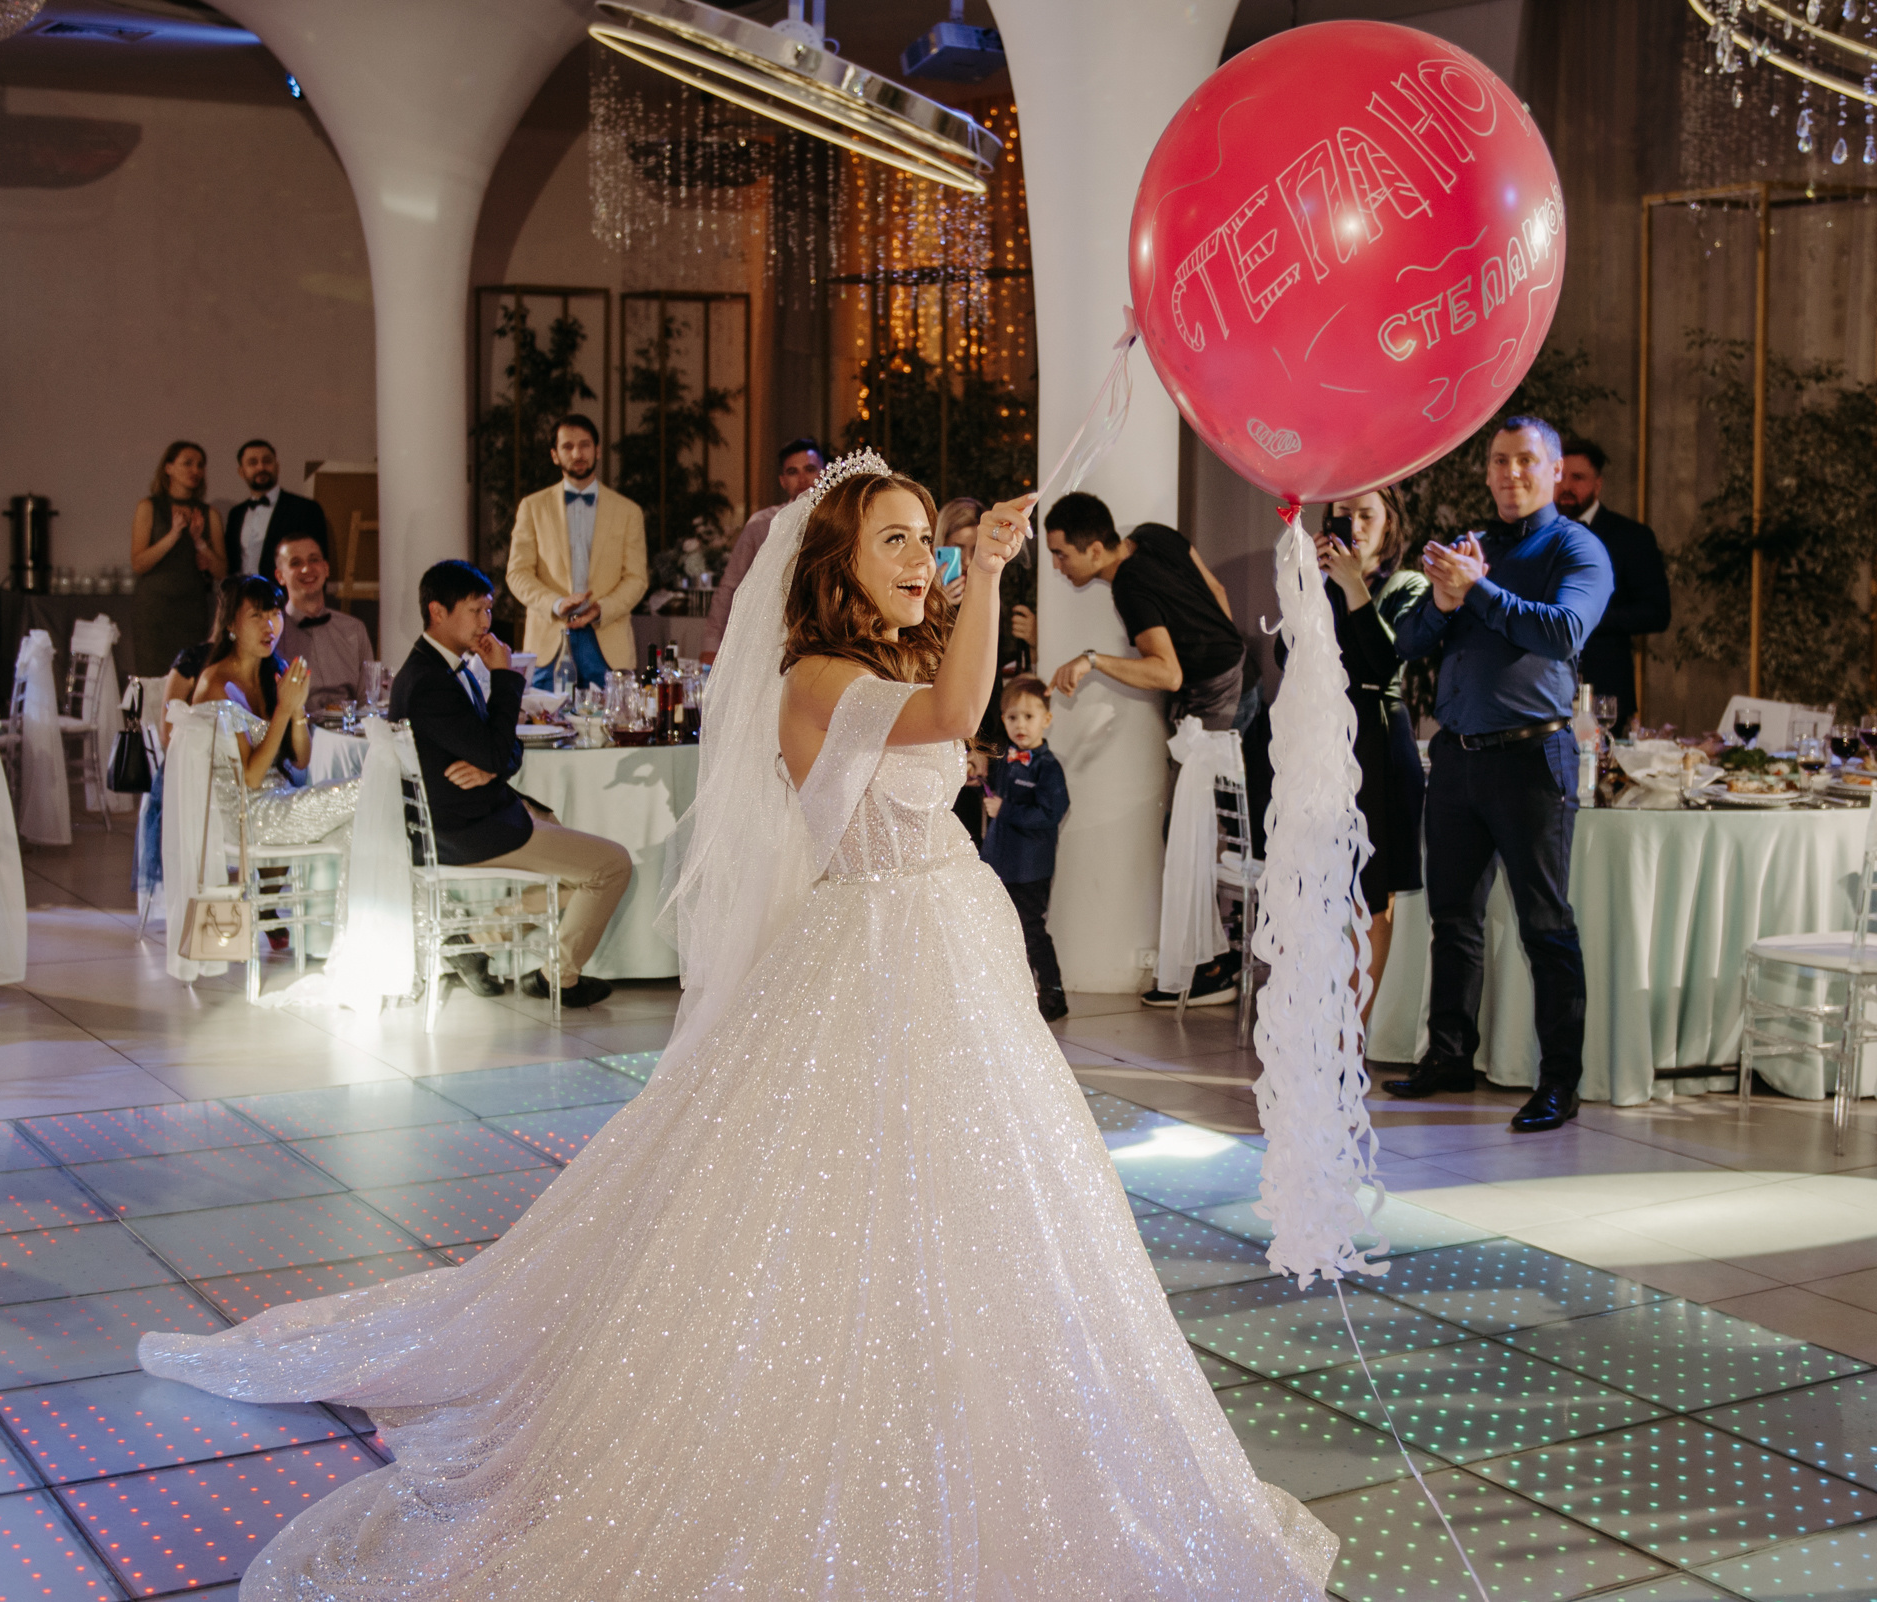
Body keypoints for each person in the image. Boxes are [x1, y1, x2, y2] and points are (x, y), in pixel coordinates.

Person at [141, 455, 1339, 1600]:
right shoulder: (817, 677)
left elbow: (950, 701)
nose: (924, 560)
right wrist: (990, 564)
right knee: (840, 1209)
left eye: (930, 539)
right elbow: (962, 704)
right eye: (899, 541)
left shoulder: (886, 652)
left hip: (950, 954)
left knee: (988, 1200)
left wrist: (970, 576)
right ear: (838, 561)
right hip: (877, 952)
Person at [1386, 418, 1612, 1134]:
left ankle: (1559, 1083)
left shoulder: (1578, 548)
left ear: (1553, 472)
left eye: (1526, 462)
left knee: (1546, 926)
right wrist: (1446, 599)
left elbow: (1562, 632)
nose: (1511, 474)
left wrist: (1476, 592)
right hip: (1455, 756)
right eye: (1499, 463)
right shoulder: (1466, 550)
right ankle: (1449, 1055)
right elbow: (1410, 641)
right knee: (1453, 921)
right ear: (1487, 474)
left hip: (1532, 759)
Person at [391, 559, 632, 1007]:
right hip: (463, 829)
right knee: (613, 865)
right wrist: (505, 678)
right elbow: (504, 752)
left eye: (488, 610)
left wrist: (492, 763)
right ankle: (558, 976)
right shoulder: (430, 682)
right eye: (475, 611)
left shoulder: (440, 666)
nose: (486, 622)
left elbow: (504, 751)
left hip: (473, 811)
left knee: (563, 835)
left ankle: (480, 938)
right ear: (437, 612)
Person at [1244, 488, 1430, 1027]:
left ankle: (1356, 1029)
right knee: (1320, 883)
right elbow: (1285, 655)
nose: (1354, 525)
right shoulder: (1320, 581)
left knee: (1373, 893)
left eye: (1367, 515)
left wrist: (1354, 587)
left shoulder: (1405, 585)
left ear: (1390, 525)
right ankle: (1317, 1017)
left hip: (1377, 743)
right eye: (1344, 516)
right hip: (1323, 746)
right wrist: (1318, 586)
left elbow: (1382, 661)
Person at [1040, 493, 1245, 730]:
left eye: (1061, 554)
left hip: (1217, 695)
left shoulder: (1128, 586)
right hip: (1244, 669)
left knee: (1196, 769)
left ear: (1095, 551)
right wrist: (1231, 658)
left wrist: (1091, 660)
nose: (1056, 565)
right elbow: (1217, 590)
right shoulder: (1153, 532)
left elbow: (1168, 674)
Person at [506, 415, 648, 691]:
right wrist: (557, 603)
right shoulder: (532, 507)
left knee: (610, 728)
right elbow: (517, 573)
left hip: (606, 639)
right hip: (549, 640)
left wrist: (600, 609)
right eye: (567, 446)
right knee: (545, 726)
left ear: (597, 450)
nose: (577, 453)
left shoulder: (628, 511)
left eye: (584, 445)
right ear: (555, 455)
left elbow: (636, 578)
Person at [1558, 437, 1668, 736]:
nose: (1566, 486)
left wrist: (1589, 617)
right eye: (1560, 477)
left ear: (1598, 484)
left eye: (1577, 478)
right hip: (1542, 690)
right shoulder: (1533, 536)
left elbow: (1657, 612)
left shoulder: (1632, 538)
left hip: (1606, 689)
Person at [980, 674, 1069, 1021]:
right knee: (1001, 930)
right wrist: (980, 777)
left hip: (1030, 868)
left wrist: (1007, 809)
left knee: (1031, 929)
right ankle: (1011, 992)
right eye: (1012, 717)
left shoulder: (1048, 768)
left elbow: (1050, 813)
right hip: (1000, 862)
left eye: (1029, 717)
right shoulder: (1005, 758)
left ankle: (1053, 991)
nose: (1020, 724)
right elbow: (995, 790)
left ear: (1046, 720)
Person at [703, 436, 825, 662]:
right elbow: (730, 587)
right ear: (782, 481)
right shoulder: (762, 524)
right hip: (771, 643)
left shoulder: (844, 523)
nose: (802, 478)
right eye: (792, 471)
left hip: (827, 640)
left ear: (824, 473)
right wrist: (711, 644)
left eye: (809, 468)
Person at [190, 574, 311, 789]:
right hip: (245, 810)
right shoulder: (216, 685)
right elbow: (250, 779)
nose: (269, 626)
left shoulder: (278, 670)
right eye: (256, 615)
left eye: (275, 614)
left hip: (282, 795)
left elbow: (301, 761)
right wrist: (283, 710)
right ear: (231, 624)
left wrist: (297, 707)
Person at [130, 441, 226, 698]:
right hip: (154, 612)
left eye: (200, 465)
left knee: (192, 678)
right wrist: (173, 535)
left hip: (192, 610)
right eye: (188, 463)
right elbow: (139, 563)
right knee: (153, 682)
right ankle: (152, 736)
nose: (195, 470)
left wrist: (199, 543)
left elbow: (223, 572)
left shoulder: (209, 514)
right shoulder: (149, 507)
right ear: (168, 468)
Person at [269, 530, 373, 712]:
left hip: (351, 734)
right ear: (280, 576)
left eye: (313, 560)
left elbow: (369, 699)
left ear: (326, 568)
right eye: (296, 563)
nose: (306, 569)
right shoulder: (272, 633)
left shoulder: (354, 629)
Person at [224, 438, 332, 584]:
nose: (261, 467)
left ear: (277, 466)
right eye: (253, 463)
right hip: (242, 600)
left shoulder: (306, 508)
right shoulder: (236, 514)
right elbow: (232, 564)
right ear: (241, 471)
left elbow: (318, 563)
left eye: (267, 461)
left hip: (284, 600)